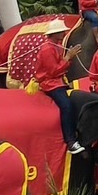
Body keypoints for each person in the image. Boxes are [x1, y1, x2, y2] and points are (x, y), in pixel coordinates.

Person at [8, 18, 84, 153]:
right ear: (54, 34)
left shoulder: (56, 46)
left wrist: (67, 58)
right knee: (66, 106)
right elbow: (52, 71)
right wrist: (67, 58)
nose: (64, 34)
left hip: (58, 80)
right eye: (61, 32)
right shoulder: (47, 49)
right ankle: (70, 141)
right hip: (50, 83)